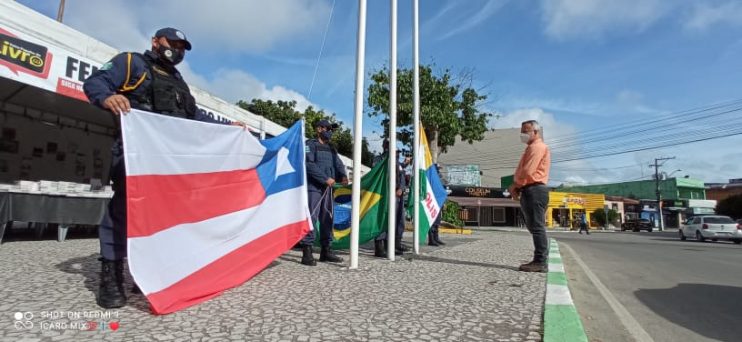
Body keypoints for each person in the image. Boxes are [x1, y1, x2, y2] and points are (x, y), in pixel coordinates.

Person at [84, 27, 244, 309]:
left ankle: (148, 274)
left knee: (163, 220)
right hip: (136, 156)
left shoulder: (179, 82)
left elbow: (195, 116)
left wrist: (227, 127)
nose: (177, 49)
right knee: (122, 212)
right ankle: (111, 276)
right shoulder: (132, 63)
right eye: (173, 42)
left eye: (182, 46)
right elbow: (95, 83)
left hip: (169, 163)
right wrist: (108, 98)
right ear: (156, 41)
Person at [301, 120, 348, 266]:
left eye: (331, 130)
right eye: (328, 128)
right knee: (312, 219)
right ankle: (307, 252)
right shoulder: (310, 145)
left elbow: (339, 164)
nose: (330, 132)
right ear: (319, 129)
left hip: (328, 190)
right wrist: (325, 178)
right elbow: (309, 164)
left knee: (328, 219)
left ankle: (326, 251)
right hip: (314, 188)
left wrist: (344, 176)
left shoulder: (331, 148)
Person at [508, 120, 551, 273]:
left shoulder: (537, 147)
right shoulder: (530, 148)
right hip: (529, 189)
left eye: (526, 131)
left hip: (535, 189)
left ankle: (540, 261)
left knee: (537, 226)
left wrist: (515, 185)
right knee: (533, 226)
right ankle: (539, 259)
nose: (523, 134)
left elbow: (528, 171)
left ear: (536, 132)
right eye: (522, 131)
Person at [374, 140, 410, 257]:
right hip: (385, 196)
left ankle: (394, 245)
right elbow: (379, 174)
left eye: (397, 150)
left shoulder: (397, 163)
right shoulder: (379, 159)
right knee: (384, 220)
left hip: (398, 196)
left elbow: (402, 177)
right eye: (391, 147)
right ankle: (380, 248)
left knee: (399, 221)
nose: (396, 152)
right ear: (385, 146)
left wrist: (401, 188)